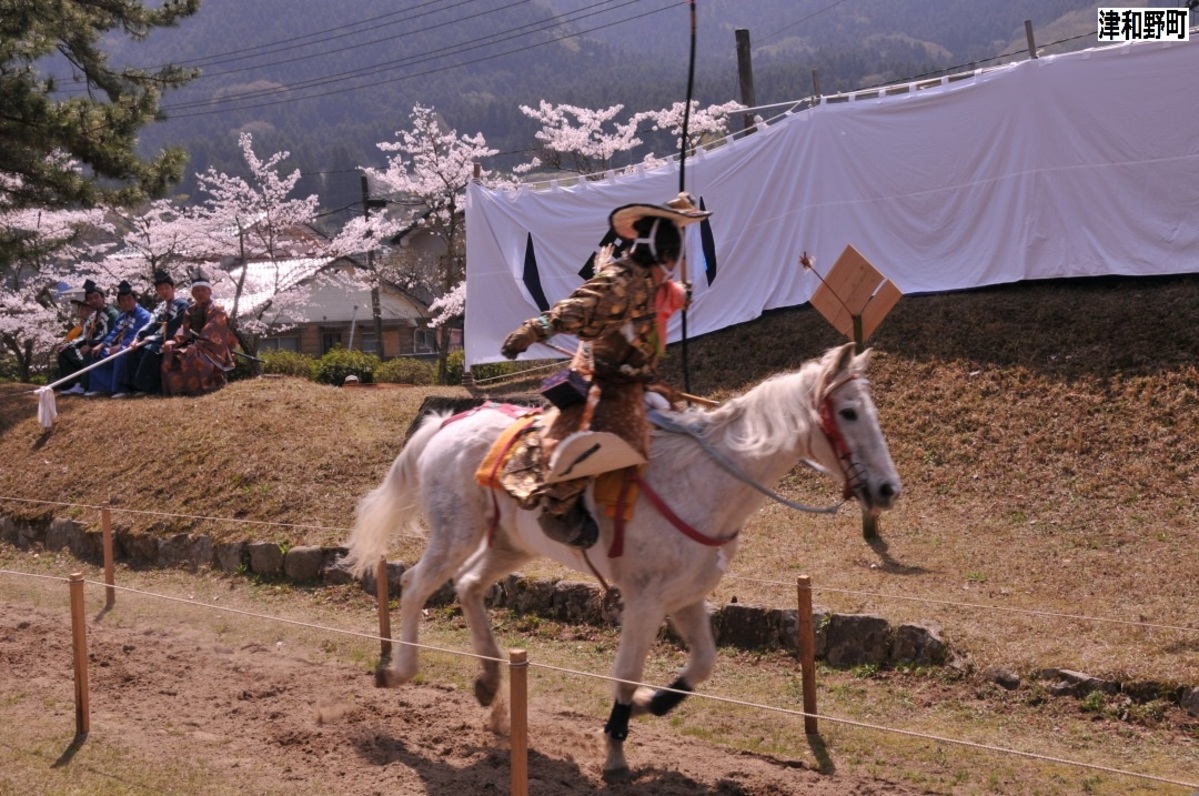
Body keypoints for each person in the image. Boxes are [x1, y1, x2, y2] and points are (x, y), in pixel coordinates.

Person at [498, 192, 710, 547]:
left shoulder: (655, 281)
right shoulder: (621, 281)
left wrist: (682, 293)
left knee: (680, 425)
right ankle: (559, 509)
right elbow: (582, 304)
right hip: (604, 379)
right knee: (613, 437)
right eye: (674, 256)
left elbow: (670, 294)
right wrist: (535, 329)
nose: (674, 266)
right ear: (664, 254)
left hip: (639, 380)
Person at [162, 268, 237, 396]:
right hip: (192, 344)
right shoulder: (190, 310)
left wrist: (197, 345)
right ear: (192, 293)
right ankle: (179, 391)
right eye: (196, 290)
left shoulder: (217, 309)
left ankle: (203, 388)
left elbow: (213, 329)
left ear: (209, 291)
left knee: (192, 356)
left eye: (203, 290)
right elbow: (184, 330)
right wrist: (173, 341)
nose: (200, 293)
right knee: (170, 354)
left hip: (211, 347)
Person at [120, 269, 189, 397]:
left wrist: (151, 339)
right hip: (157, 338)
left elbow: (174, 326)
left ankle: (153, 389)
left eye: (166, 288)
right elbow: (151, 324)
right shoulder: (160, 307)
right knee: (134, 350)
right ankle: (134, 387)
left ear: (173, 288)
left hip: (174, 339)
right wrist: (138, 337)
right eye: (160, 289)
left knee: (149, 350)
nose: (163, 292)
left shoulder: (182, 304)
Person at [85, 280, 153, 396]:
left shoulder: (144, 315)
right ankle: (100, 387)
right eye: (123, 301)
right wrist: (102, 345)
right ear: (120, 303)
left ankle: (122, 389)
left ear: (135, 300)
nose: (126, 303)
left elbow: (137, 334)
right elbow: (114, 332)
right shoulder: (122, 317)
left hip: (136, 346)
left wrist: (121, 345)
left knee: (120, 353)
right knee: (97, 352)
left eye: (129, 299)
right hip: (120, 346)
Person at [57, 279, 118, 395]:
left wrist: (90, 344)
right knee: (65, 351)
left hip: (106, 346)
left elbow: (110, 334)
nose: (93, 301)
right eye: (90, 299)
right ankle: (71, 384)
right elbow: (85, 335)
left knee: (89, 351)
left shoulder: (112, 313)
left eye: (96, 297)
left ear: (103, 297)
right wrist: (69, 344)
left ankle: (84, 385)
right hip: (92, 344)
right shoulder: (93, 316)